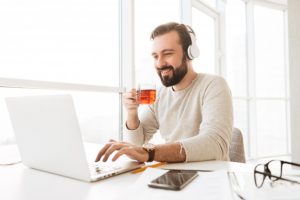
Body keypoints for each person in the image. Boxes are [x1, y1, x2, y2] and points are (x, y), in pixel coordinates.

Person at [95, 22, 233, 163]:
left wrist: (151, 153)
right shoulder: (159, 95)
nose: (160, 63)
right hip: (172, 175)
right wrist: (131, 112)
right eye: (155, 56)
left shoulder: (214, 85)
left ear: (189, 53)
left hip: (211, 177)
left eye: (167, 54)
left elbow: (215, 144)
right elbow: (137, 144)